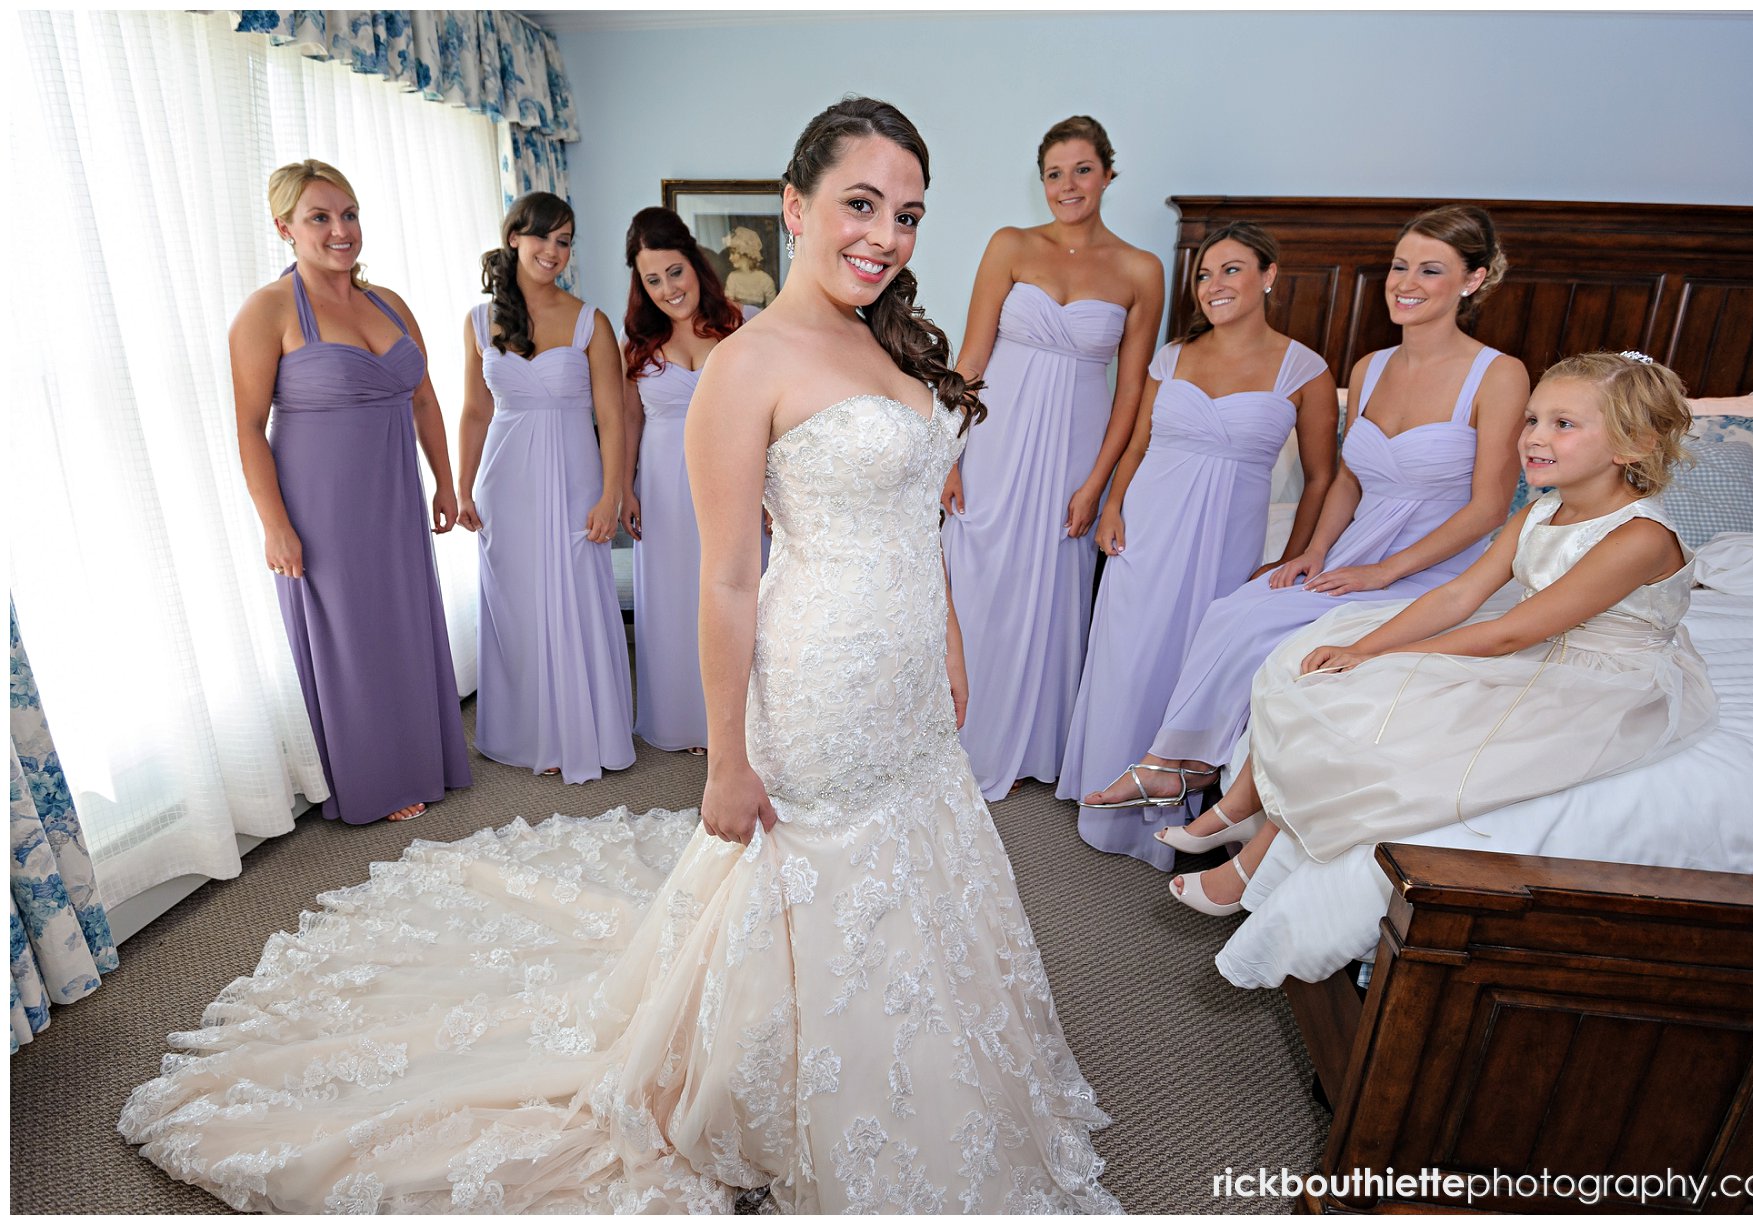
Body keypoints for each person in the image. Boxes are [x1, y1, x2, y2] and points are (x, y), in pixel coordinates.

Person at [119, 99, 1119, 1215]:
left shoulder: (887, 336)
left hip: (909, 680)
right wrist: (726, 760)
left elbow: (914, 515)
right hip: (823, 679)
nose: (886, 235)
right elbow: (729, 580)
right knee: (818, 886)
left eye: (910, 214)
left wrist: (947, 630)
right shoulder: (749, 368)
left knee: (920, 870)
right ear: (795, 209)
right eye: (861, 204)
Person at [1165, 351, 1716, 913]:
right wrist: (1362, 647)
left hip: (1602, 673)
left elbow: (1507, 635)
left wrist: (1384, 660)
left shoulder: (1640, 537)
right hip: (1539, 642)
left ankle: (1251, 863)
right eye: (1532, 419)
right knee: (1311, 652)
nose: (1533, 437)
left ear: (1634, 445)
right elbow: (1459, 595)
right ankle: (1238, 806)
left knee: (1382, 701)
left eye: (1563, 424)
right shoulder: (1538, 513)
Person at [1081, 204, 1529, 832]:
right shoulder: (1369, 369)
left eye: (1430, 270)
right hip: (1358, 549)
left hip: (1436, 563)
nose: (1406, 283)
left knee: (1271, 631)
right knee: (1239, 607)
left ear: (1473, 281)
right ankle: (1182, 763)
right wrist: (1314, 552)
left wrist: (1384, 572)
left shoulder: (1500, 375)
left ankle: (1187, 770)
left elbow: (1490, 507)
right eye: (1400, 267)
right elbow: (1345, 478)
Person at [1059, 222, 1336, 867]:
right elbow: (1138, 442)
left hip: (1226, 541)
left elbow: (1322, 476)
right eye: (1205, 274)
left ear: (1269, 276)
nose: (1215, 285)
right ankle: (1107, 800)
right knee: (1129, 652)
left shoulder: (1305, 370)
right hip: (1148, 524)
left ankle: (1172, 799)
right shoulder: (1173, 355)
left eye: (1232, 270)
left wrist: (1293, 554)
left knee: (1189, 658)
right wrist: (1114, 506)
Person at [228, 159, 470, 825]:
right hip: (321, 502)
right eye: (320, 217)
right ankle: (375, 778)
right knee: (350, 638)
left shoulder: (389, 302)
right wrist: (275, 524)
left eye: (349, 213)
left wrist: (445, 481)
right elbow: (249, 427)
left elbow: (423, 397)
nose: (341, 229)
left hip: (395, 492)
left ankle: (421, 758)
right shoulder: (267, 311)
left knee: (403, 621)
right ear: (285, 228)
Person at [940, 116, 1164, 801]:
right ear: (1041, 181)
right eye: (1054, 173)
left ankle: (1036, 744)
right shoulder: (1010, 245)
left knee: (1053, 588)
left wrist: (1098, 482)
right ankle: (955, 734)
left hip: (1076, 444)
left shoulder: (1141, 270)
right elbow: (972, 357)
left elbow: (1133, 390)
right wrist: (946, 452)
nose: (1068, 185)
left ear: (1109, 174)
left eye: (1082, 170)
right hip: (998, 435)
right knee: (974, 575)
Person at [455, 192, 635, 783]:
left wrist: (611, 494)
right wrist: (462, 487)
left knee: (576, 594)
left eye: (565, 241)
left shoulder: (591, 321)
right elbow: (475, 411)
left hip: (573, 475)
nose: (553, 252)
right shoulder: (479, 321)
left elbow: (612, 418)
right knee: (517, 605)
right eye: (543, 238)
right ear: (514, 239)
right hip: (504, 482)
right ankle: (528, 731)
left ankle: (581, 729)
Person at [620, 206, 756, 754]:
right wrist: (624, 487)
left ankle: (744, 723)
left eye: (674, 271)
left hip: (733, 478)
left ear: (695, 264)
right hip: (662, 484)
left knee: (739, 595)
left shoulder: (744, 324)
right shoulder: (639, 345)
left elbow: (771, 414)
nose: (668, 289)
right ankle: (688, 721)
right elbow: (628, 420)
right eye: (652, 279)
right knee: (678, 598)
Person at [720, 224, 778, 307]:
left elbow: (772, 310)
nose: (730, 258)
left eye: (733, 253)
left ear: (745, 253)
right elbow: (728, 307)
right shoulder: (733, 278)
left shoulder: (765, 280)